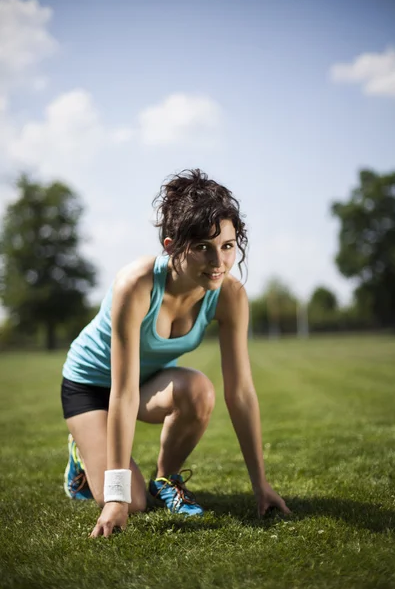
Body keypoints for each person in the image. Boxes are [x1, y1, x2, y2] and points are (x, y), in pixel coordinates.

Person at [61, 169, 291, 539]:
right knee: (129, 503)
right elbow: (121, 393)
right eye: (203, 246)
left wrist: (260, 484)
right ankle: (81, 453)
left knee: (199, 389)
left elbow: (242, 392)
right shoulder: (135, 285)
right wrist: (115, 499)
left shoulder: (229, 295)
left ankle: (165, 480)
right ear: (171, 246)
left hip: (145, 384)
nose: (218, 261)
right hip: (91, 388)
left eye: (228, 246)